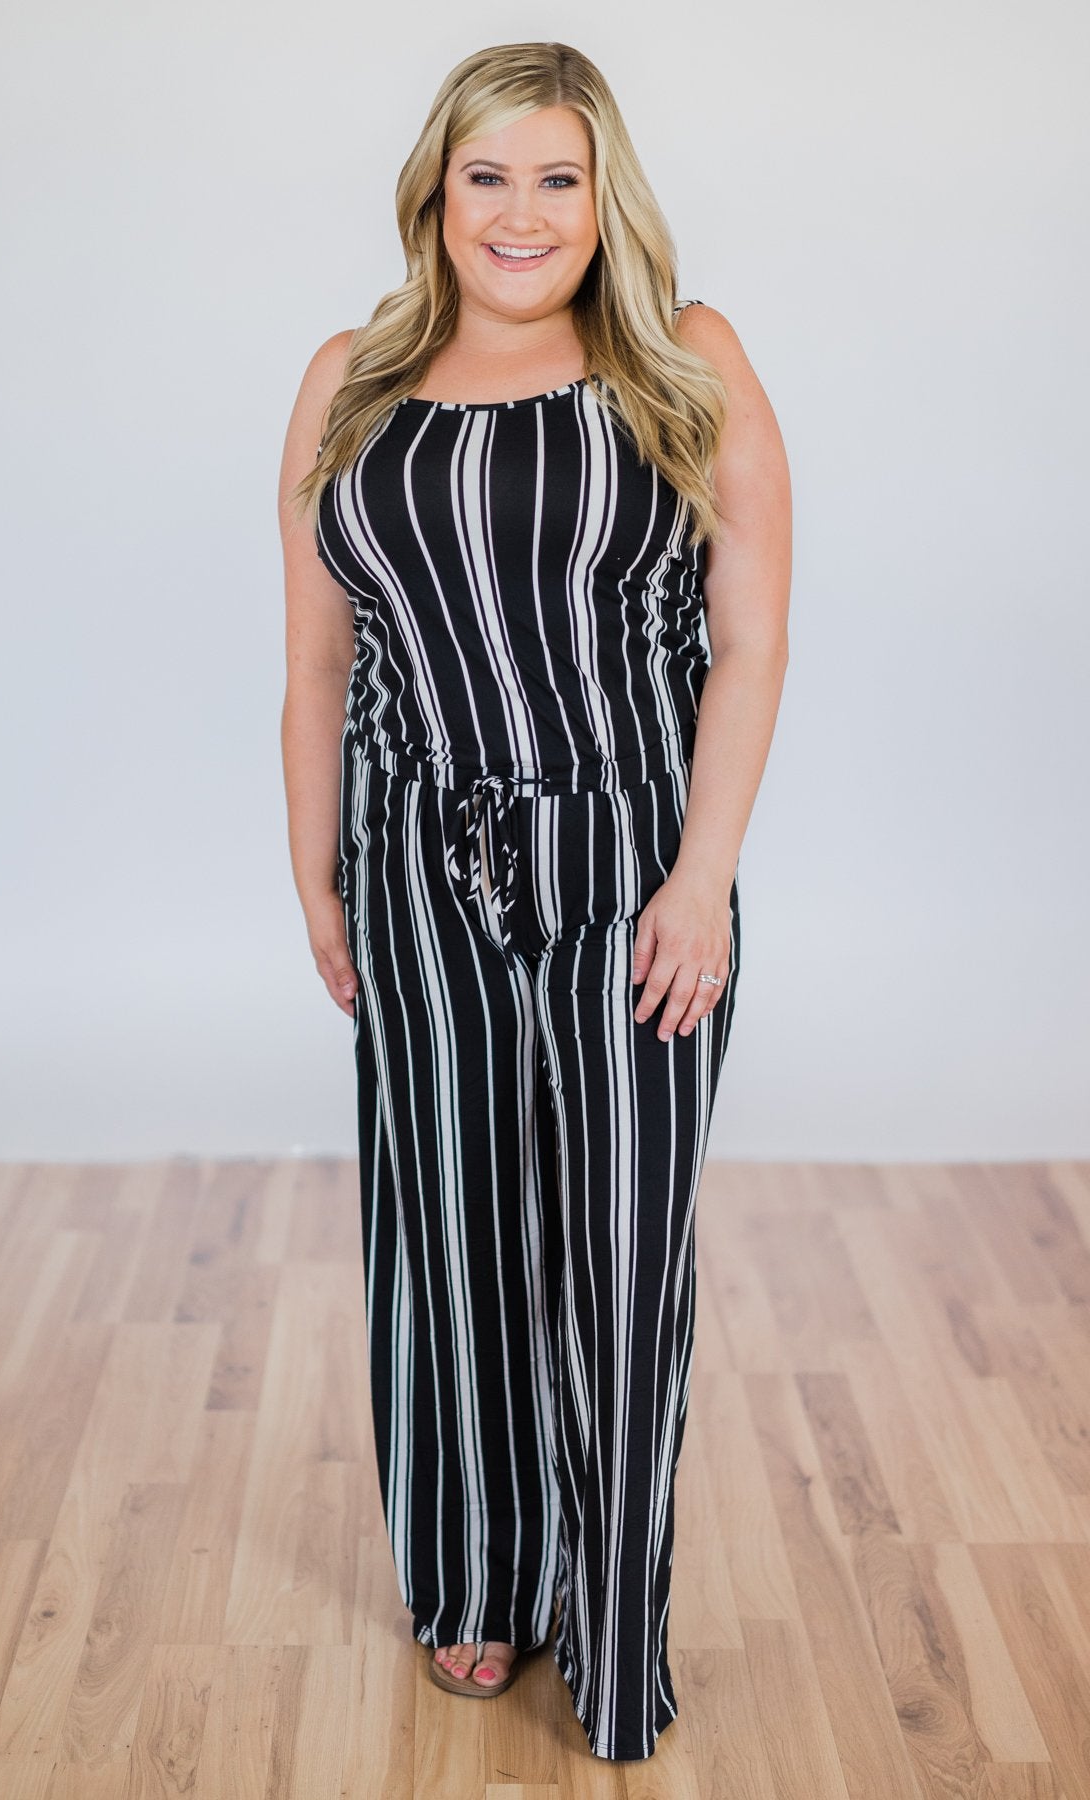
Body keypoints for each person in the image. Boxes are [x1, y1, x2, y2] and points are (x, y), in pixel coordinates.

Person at [277, 40, 791, 1763]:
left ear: (603, 193)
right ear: (436, 193)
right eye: (486, 176)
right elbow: (319, 663)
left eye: (557, 178)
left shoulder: (686, 359)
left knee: (623, 1259)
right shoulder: (352, 377)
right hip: (415, 868)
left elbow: (751, 643)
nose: (522, 213)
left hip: (633, 867)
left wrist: (704, 881)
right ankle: (479, 1580)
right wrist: (319, 877)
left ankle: (614, 1627)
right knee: (452, 1238)